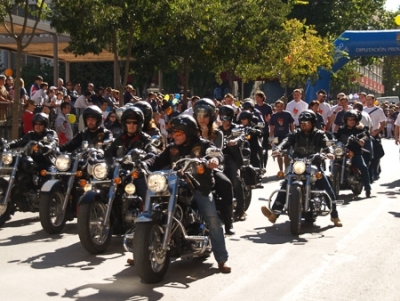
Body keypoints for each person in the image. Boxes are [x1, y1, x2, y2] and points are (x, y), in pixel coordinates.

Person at [143, 115, 231, 273]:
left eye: (178, 134)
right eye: (173, 134)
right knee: (152, 206)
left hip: (199, 187)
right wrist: (143, 163)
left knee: (212, 218)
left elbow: (216, 153)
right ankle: (141, 252)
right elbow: (156, 161)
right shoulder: (172, 148)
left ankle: (221, 258)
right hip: (175, 185)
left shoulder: (203, 145)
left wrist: (214, 161)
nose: (174, 137)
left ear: (188, 133)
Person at [261, 110, 342, 227]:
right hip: (298, 163)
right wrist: (278, 149)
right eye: (302, 122)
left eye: (306, 122)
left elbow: (326, 144)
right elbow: (286, 141)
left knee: (326, 186)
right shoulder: (295, 133)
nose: (303, 124)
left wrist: (329, 152)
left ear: (313, 123)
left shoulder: (319, 134)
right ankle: (274, 214)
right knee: (285, 183)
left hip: (314, 164)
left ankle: (334, 216)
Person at [193, 98, 235, 235]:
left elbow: (217, 152)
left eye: (205, 115)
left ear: (211, 116)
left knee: (226, 184)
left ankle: (229, 223)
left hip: (210, 168)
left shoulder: (218, 133)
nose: (202, 118)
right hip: (190, 168)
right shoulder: (190, 131)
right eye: (199, 115)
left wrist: (205, 136)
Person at [105, 107, 159, 201]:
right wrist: (110, 163)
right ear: (124, 124)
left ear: (139, 124)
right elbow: (108, 152)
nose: (131, 125)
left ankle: (147, 211)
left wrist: (143, 159)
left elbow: (152, 151)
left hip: (136, 172)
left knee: (142, 186)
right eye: (128, 122)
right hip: (120, 172)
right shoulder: (120, 138)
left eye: (134, 123)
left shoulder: (144, 138)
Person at [218, 105, 247, 221]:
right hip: (218, 158)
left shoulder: (237, 128)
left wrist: (234, 141)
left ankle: (241, 210)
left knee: (235, 180)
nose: (223, 120)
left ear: (230, 118)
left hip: (231, 158)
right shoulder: (217, 130)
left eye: (225, 118)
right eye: (221, 117)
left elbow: (241, 136)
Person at [335, 110, 371, 198]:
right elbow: (335, 136)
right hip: (342, 153)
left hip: (355, 153)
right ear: (346, 120)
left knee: (363, 167)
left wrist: (361, 140)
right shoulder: (341, 129)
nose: (351, 121)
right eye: (349, 119)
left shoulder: (360, 130)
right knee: (332, 164)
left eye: (353, 119)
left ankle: (367, 188)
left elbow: (365, 136)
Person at [269, 100, 295, 172]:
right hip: (276, 137)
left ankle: (286, 170)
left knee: (287, 155)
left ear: (283, 106)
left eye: (281, 106)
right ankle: (281, 170)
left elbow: (292, 125)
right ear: (275, 107)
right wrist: (271, 139)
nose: (279, 108)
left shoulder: (288, 114)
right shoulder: (274, 116)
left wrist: (293, 135)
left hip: (286, 137)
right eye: (278, 106)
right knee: (278, 155)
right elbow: (271, 128)